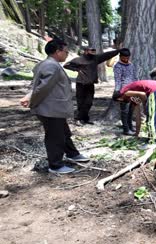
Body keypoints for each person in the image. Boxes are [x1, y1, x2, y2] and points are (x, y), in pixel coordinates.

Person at [19, 39, 89, 174]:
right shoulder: (52, 66)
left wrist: (29, 96)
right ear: (58, 52)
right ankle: (55, 165)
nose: (67, 54)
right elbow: (42, 88)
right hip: (50, 108)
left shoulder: (45, 64)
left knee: (63, 132)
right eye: (66, 52)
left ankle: (72, 153)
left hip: (53, 108)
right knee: (54, 136)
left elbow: (37, 85)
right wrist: (32, 101)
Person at [63, 47, 121, 124]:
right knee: (81, 102)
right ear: (86, 51)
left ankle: (81, 118)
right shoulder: (78, 59)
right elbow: (66, 65)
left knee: (88, 102)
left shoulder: (95, 58)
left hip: (90, 84)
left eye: (94, 51)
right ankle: (82, 119)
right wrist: (77, 70)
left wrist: (118, 51)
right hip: (81, 83)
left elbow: (107, 55)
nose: (93, 52)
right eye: (91, 50)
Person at [113, 48, 137, 135]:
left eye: (127, 57)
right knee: (125, 111)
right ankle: (126, 129)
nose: (126, 59)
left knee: (131, 109)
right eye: (124, 58)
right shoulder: (117, 66)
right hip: (123, 91)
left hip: (133, 90)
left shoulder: (131, 65)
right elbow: (118, 80)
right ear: (120, 57)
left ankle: (130, 126)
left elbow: (134, 76)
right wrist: (117, 91)